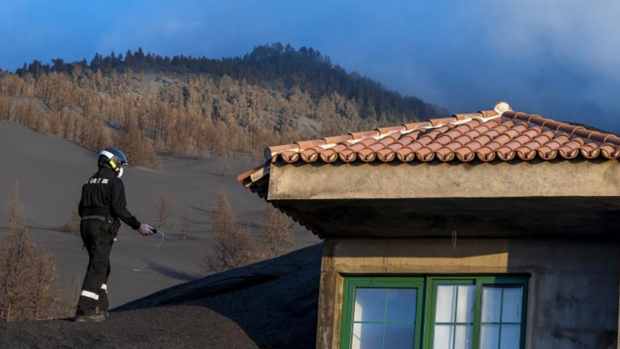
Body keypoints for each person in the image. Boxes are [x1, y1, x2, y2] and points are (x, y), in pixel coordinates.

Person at [74, 148, 155, 323]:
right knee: (98, 265)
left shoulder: (88, 182)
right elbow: (119, 208)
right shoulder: (114, 183)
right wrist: (138, 226)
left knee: (102, 265)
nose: (121, 167)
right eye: (120, 163)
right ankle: (85, 310)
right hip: (101, 228)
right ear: (113, 162)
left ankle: (101, 307)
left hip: (85, 227)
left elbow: (80, 209)